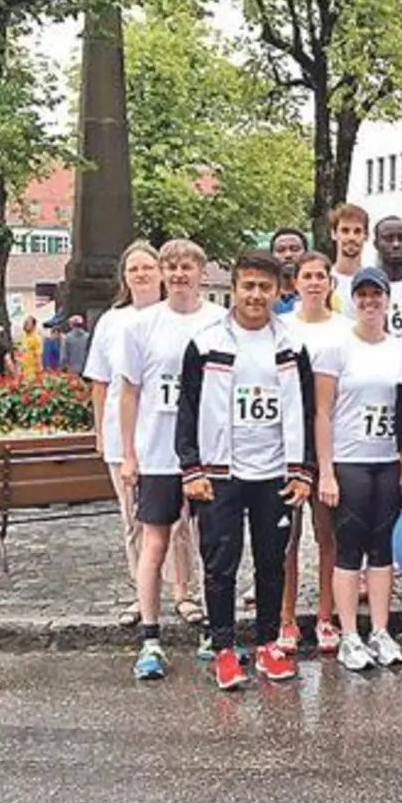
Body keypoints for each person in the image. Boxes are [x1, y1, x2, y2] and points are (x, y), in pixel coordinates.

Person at [176, 250, 316, 691]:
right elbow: (188, 408)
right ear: (234, 288)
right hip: (221, 474)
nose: (256, 295)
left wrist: (304, 470)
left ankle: (269, 645)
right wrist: (191, 467)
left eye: (265, 287)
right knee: (221, 564)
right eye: (248, 286)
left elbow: (308, 410)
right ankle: (223, 649)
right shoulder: (205, 343)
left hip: (275, 472)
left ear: (279, 292)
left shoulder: (291, 344)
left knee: (272, 562)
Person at [116, 240, 226, 680]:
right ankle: (150, 638)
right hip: (158, 451)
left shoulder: (220, 321)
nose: (179, 274)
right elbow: (129, 392)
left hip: (208, 454)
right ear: (163, 272)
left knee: (210, 543)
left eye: (187, 266)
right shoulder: (142, 326)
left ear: (201, 271)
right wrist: (128, 453)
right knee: (155, 543)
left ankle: (214, 631)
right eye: (172, 266)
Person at [85, 241, 201, 630]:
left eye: (148, 267)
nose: (141, 274)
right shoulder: (113, 322)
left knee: (182, 523)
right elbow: (102, 382)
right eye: (133, 269)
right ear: (125, 276)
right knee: (135, 521)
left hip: (174, 435)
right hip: (127, 436)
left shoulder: (185, 317)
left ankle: (183, 591)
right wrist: (102, 432)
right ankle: (141, 593)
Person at [312, 266, 402, 671]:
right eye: (363, 296)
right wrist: (325, 470)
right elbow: (322, 413)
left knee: (382, 548)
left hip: (385, 459)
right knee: (348, 547)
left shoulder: (400, 348)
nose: (370, 303)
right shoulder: (336, 348)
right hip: (350, 459)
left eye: (377, 296)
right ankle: (349, 635)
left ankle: (380, 630)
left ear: (388, 299)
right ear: (353, 300)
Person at [276, 251, 354, 653]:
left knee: (328, 534)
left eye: (321, 276)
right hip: (286, 445)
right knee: (286, 537)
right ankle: (286, 618)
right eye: (306, 276)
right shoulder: (281, 328)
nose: (313, 282)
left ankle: (326, 616)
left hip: (331, 443)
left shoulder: (345, 329)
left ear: (330, 283)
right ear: (295, 283)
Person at [330, 204, 370, 317]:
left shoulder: (374, 283)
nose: (351, 237)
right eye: (345, 231)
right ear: (333, 234)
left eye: (357, 231)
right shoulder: (324, 281)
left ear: (366, 235)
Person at [269, 227, 309, 315]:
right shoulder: (265, 295)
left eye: (294, 249)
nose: (288, 255)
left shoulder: (317, 293)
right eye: (280, 250)